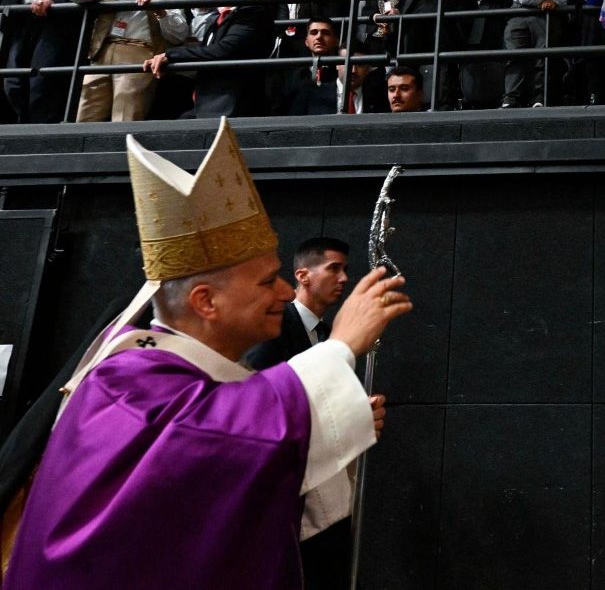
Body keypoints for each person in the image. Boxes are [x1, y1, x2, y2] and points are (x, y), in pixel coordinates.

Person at [4, 118, 411, 588]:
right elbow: (213, 438)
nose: (284, 292)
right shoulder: (125, 382)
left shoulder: (172, 379)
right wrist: (339, 348)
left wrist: (329, 418)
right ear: (205, 302)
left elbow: (218, 480)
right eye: (267, 281)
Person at [244, 237, 354, 590]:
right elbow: (259, 395)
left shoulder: (326, 335)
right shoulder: (276, 326)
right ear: (303, 275)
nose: (343, 278)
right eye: (334, 268)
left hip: (320, 479)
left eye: (345, 270)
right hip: (283, 483)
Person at [65, 0, 190, 121]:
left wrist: (160, 10)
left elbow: (179, 35)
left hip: (138, 52)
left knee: (125, 116)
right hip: (100, 53)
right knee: (85, 115)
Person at [143, 0, 276, 117]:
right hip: (210, 102)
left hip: (234, 105)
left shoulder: (254, 13)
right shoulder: (219, 19)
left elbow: (224, 50)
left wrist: (171, 55)